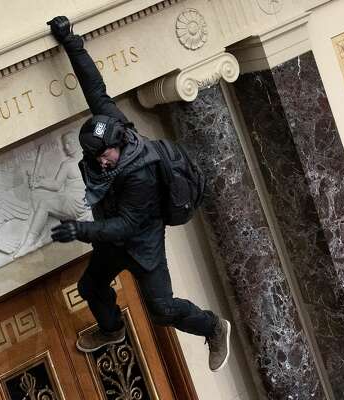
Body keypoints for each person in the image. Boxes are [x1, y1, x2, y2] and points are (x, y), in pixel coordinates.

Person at [47, 15, 231, 371]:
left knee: (162, 310)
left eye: (105, 155)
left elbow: (126, 226)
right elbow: (95, 89)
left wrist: (79, 230)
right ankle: (112, 330)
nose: (101, 162)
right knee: (90, 287)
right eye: (94, 156)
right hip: (112, 241)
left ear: (118, 144)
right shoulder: (113, 126)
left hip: (141, 244)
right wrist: (71, 42)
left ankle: (212, 326)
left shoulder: (139, 174)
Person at [19, 131, 91, 254]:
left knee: (44, 203)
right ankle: (37, 240)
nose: (66, 147)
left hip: (77, 203)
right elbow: (56, 185)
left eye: (69, 143)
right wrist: (39, 182)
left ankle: (29, 241)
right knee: (44, 201)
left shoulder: (89, 159)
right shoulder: (67, 164)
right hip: (71, 202)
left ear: (77, 142)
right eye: (64, 145)